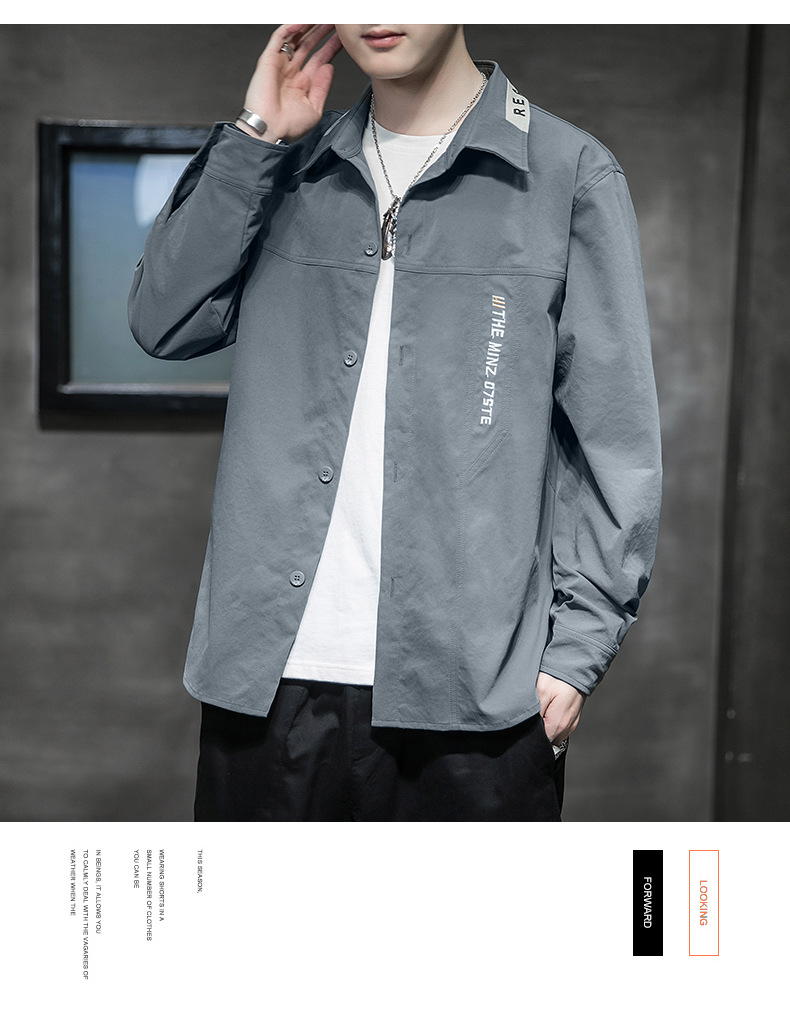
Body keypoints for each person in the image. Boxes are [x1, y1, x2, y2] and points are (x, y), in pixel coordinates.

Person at [128, 24, 662, 821]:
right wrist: (257, 136)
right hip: (269, 687)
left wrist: (576, 652)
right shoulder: (287, 165)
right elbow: (162, 320)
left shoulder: (566, 173)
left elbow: (615, 441)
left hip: (476, 700)